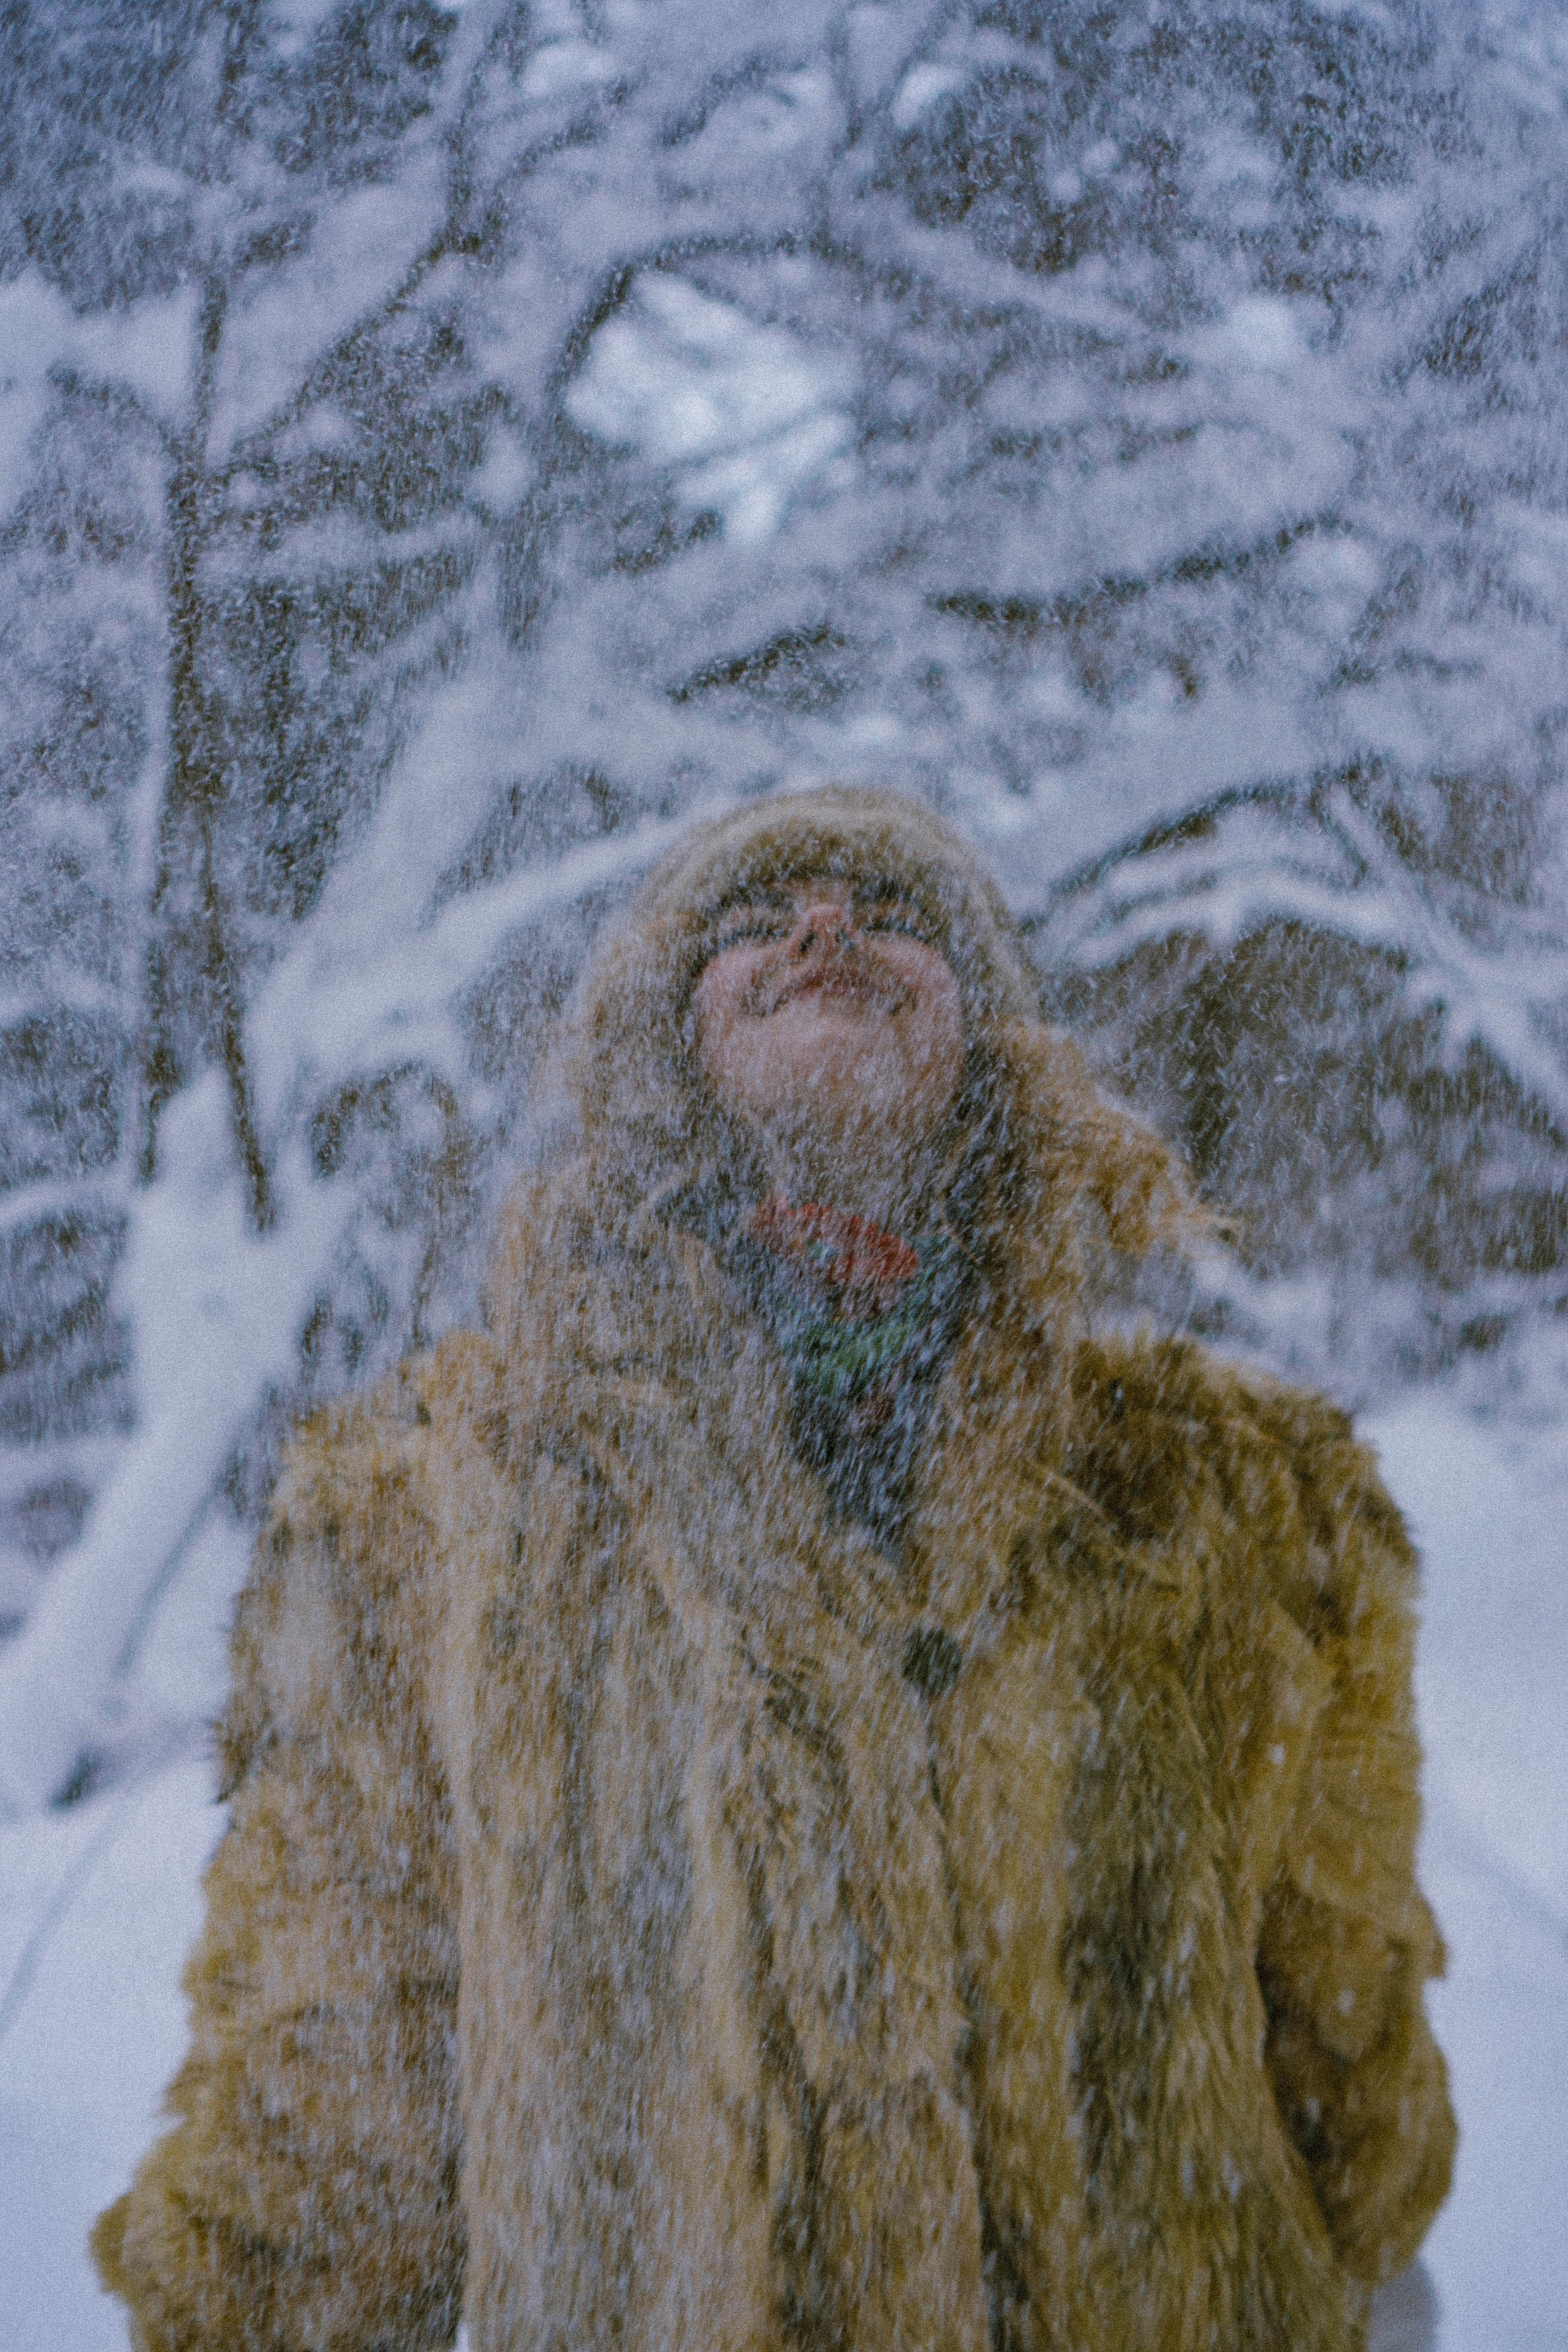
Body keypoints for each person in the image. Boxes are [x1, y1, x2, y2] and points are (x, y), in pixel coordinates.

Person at [94, 787, 1455, 2352]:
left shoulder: (1240, 1504)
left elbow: (1348, 2043)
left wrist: (1366, 2269)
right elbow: (319, 2125)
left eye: (891, 914)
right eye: (756, 920)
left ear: (990, 1044)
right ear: (659, 1048)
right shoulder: (423, 1515)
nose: (823, 927)